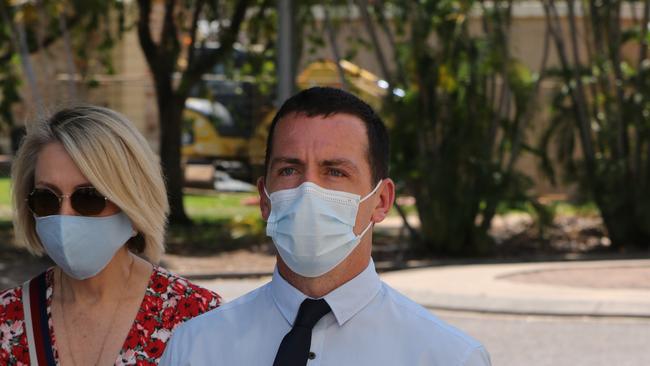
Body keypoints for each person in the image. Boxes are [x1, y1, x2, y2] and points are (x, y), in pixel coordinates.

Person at [160, 87, 491, 365]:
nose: (308, 191)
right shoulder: (196, 347)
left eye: (335, 172)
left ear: (381, 201)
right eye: (289, 170)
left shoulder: (447, 357)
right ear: (264, 196)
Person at [0, 106, 221, 365]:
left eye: (89, 198)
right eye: (46, 199)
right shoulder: (8, 320)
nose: (65, 216)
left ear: (133, 203)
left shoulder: (198, 316)